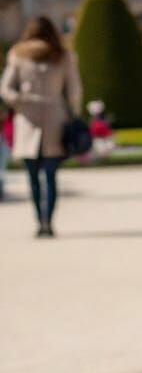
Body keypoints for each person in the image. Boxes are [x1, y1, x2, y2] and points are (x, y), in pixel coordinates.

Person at [0, 15, 82, 237]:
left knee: (33, 177)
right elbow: (74, 92)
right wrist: (73, 113)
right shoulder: (63, 55)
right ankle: (48, 221)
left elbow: (5, 89)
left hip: (27, 119)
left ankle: (40, 220)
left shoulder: (17, 54)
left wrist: (20, 101)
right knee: (51, 175)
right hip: (55, 118)